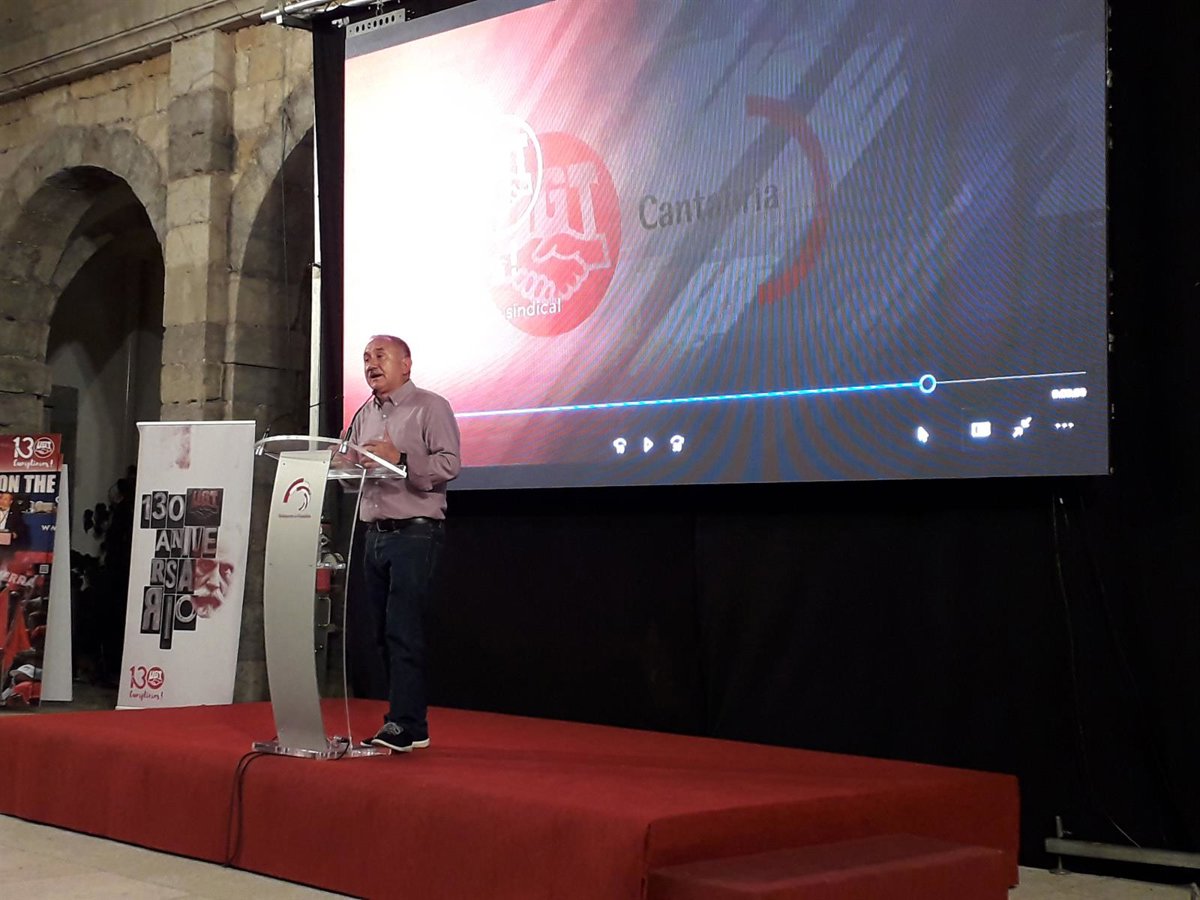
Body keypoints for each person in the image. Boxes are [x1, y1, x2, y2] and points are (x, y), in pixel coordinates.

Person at [347, 335, 460, 752]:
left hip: (415, 533)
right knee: (381, 633)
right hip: (374, 535)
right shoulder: (362, 414)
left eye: (380, 356)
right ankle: (406, 721)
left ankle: (406, 723)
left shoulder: (430, 406)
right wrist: (343, 464)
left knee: (402, 630)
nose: (370, 364)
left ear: (406, 364)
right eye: (365, 358)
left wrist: (403, 459)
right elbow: (349, 468)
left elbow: (450, 464)